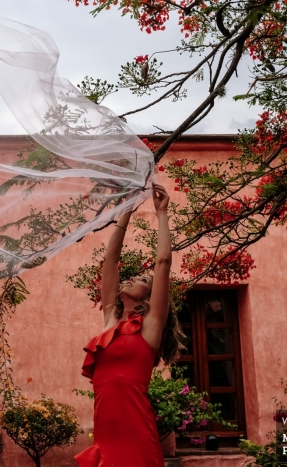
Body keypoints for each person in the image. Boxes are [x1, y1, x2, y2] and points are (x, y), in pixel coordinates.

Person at [75, 184, 183, 467]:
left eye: (143, 281)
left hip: (136, 432)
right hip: (106, 433)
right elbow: (110, 260)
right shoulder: (111, 318)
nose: (132, 278)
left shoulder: (151, 326)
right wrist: (125, 210)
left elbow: (163, 262)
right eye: (133, 277)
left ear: (149, 297)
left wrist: (161, 213)